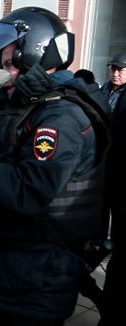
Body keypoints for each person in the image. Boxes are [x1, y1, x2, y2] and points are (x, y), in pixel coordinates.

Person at [0, 7, 110, 325]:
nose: (3, 73)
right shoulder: (18, 110)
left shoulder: (61, 118)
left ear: (38, 59)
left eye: (11, 64)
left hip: (33, 287)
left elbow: (28, 193)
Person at [99, 52, 126, 326]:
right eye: (114, 68)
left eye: (121, 69)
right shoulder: (103, 90)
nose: (116, 73)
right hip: (101, 168)